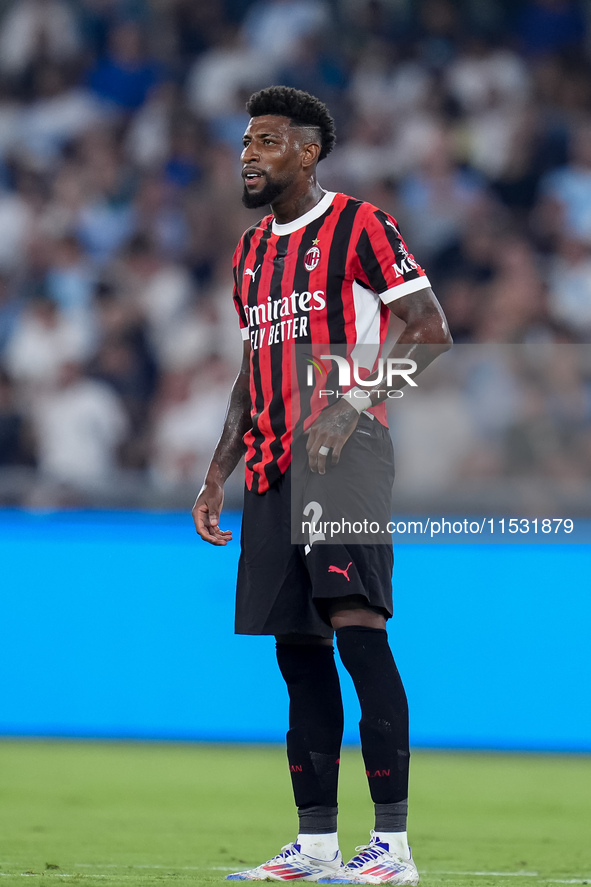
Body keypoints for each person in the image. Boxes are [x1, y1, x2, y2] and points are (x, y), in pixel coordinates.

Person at [193, 86, 452, 885]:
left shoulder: (360, 226)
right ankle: (313, 845)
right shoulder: (248, 253)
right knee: (296, 653)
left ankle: (393, 848)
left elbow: (431, 332)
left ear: (307, 152)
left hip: (343, 458)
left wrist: (350, 405)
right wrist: (215, 472)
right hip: (271, 468)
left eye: (266, 140)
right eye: (244, 140)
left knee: (356, 632)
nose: (248, 153)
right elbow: (250, 369)